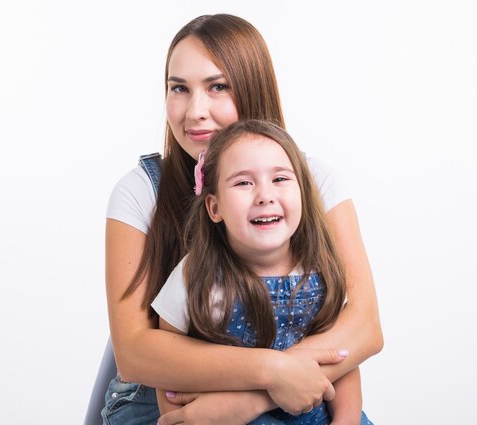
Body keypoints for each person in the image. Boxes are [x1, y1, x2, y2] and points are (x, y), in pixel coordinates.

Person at [99, 13, 382, 425]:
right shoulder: (140, 192)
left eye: (217, 87)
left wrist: (252, 400)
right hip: (175, 392)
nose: (195, 111)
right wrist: (273, 373)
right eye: (179, 88)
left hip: (304, 388)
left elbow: (363, 327)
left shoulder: (311, 182)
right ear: (212, 206)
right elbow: (135, 352)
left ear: (253, 88)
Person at [152, 119, 372, 424]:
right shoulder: (196, 276)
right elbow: (168, 364)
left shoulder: (318, 268)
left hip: (315, 412)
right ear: (214, 207)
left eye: (280, 179)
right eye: (244, 182)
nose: (264, 195)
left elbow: (342, 362)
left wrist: (345, 421)